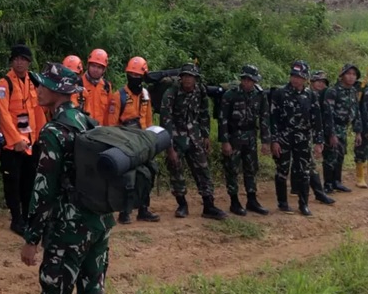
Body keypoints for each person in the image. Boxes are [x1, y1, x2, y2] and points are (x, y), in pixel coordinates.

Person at [21, 62, 113, 294]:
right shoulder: (89, 122)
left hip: (68, 229)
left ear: (58, 91)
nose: (38, 90)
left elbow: (44, 190)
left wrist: (32, 238)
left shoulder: (53, 131)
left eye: (43, 85)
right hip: (99, 222)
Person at [159, 64, 226, 220]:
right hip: (176, 136)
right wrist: (169, 148)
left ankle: (209, 205)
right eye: (185, 76)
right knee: (176, 169)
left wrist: (206, 135)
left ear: (196, 78)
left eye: (191, 76)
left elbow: (204, 113)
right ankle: (182, 204)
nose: (188, 79)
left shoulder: (200, 90)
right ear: (181, 77)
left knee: (203, 169)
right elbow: (165, 121)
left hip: (195, 135)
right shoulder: (171, 93)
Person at [0, 44, 45, 236]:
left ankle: (27, 217)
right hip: (13, 145)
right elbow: (3, 114)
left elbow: (39, 110)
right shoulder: (4, 83)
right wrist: (16, 140)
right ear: (11, 61)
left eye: (23, 59)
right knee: (12, 184)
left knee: (29, 183)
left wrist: (41, 136)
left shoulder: (34, 81)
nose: (19, 62)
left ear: (29, 62)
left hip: (31, 143)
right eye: (16, 59)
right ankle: (16, 220)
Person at [270, 61, 324, 216]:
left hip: (303, 139)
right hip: (284, 138)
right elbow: (273, 119)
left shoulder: (311, 95)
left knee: (304, 171)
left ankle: (303, 204)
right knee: (282, 170)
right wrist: (274, 140)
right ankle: (282, 203)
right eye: (293, 75)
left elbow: (317, 120)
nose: (295, 79)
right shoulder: (279, 93)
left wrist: (318, 141)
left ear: (306, 78)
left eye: (299, 76)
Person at [218, 64, 271, 216]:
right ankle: (234, 202)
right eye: (245, 79)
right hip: (234, 137)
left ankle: (252, 199)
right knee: (232, 169)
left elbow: (264, 118)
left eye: (250, 80)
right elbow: (223, 119)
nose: (247, 83)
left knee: (251, 169)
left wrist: (265, 141)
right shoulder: (231, 94)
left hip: (251, 136)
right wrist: (225, 141)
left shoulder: (260, 95)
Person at [116, 56, 160, 224]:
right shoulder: (118, 96)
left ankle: (144, 209)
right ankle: (124, 212)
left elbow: (148, 121)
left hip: (142, 141)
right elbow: (112, 125)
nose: (134, 78)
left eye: (138, 75)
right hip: (125, 142)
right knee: (129, 177)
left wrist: (150, 142)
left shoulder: (146, 95)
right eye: (131, 75)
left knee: (150, 172)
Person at [322, 63, 362, 192]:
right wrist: (331, 134)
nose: (351, 77)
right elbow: (328, 114)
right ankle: (328, 184)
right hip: (333, 127)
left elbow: (356, 112)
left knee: (340, 155)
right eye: (348, 74)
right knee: (330, 156)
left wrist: (358, 132)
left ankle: (337, 182)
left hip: (344, 128)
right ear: (342, 76)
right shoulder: (333, 91)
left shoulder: (353, 91)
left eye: (354, 74)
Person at [306, 71, 336, 205]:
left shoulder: (324, 97)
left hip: (314, 133)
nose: (321, 84)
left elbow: (327, 118)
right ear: (311, 82)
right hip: (297, 133)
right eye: (318, 81)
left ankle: (319, 193)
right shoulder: (304, 95)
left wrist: (327, 135)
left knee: (310, 163)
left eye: (323, 82)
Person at [80, 49, 118, 126]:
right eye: (93, 66)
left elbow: (109, 113)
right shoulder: (79, 84)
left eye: (99, 67)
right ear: (88, 66)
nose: (95, 70)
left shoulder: (106, 86)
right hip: (84, 129)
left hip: (101, 130)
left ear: (104, 70)